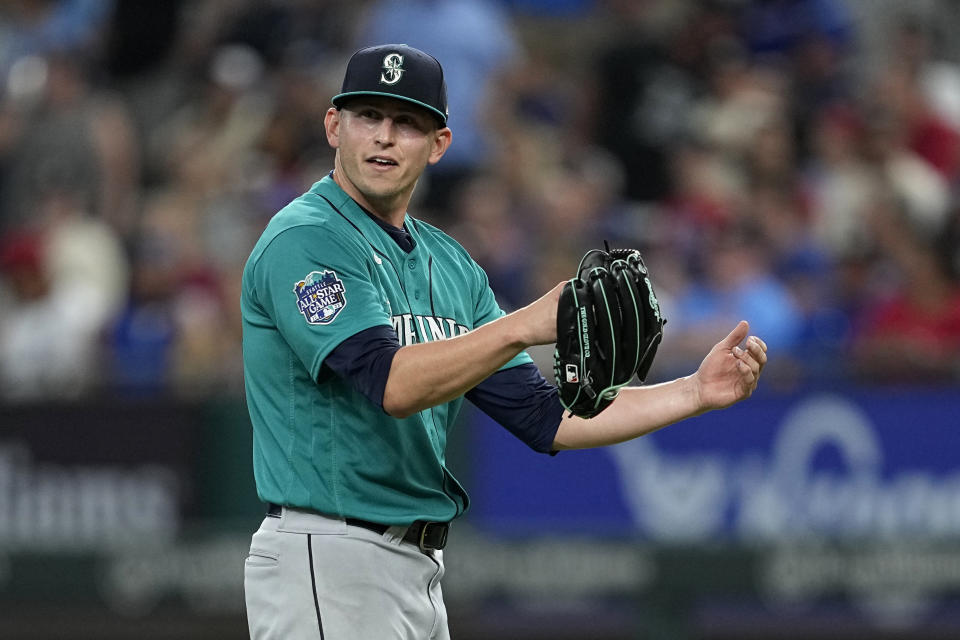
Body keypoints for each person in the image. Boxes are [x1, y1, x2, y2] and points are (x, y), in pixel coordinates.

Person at [240, 43, 768, 640]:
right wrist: (522, 324)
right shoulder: (307, 238)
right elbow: (390, 383)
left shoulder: (451, 265)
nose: (384, 137)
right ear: (334, 126)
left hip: (412, 569)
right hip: (330, 553)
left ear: (439, 144)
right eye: (368, 116)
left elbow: (548, 418)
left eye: (406, 122)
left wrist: (694, 391)